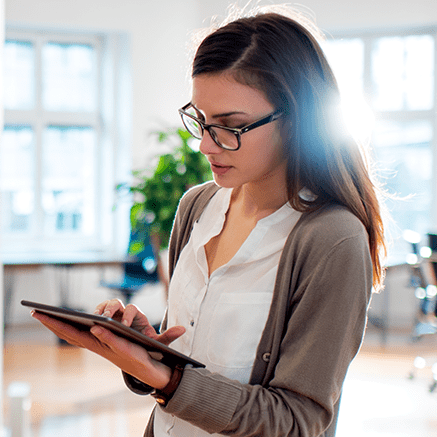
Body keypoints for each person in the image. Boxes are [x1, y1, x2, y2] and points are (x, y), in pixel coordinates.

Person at [32, 4, 386, 437]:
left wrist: (170, 380)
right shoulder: (197, 206)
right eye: (200, 120)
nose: (204, 145)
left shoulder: (332, 239)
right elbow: (190, 366)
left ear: (296, 120)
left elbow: (298, 421)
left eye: (229, 126)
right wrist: (147, 351)